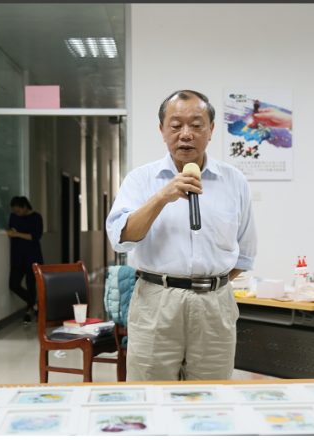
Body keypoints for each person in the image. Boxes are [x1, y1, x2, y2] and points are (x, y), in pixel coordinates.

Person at [106, 90, 257, 381]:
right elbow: (121, 239)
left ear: (211, 130)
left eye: (196, 125)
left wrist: (209, 285)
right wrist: (162, 196)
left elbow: (245, 253)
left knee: (212, 394)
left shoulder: (234, 181)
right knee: (150, 392)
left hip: (215, 304)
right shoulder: (140, 179)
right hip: (156, 301)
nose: (186, 134)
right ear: (162, 130)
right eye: (176, 126)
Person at [6, 196, 44, 324]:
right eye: (14, 211)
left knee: (30, 284)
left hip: (32, 255)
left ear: (25, 207)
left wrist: (17, 234)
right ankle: (35, 305)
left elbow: (35, 236)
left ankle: (28, 311)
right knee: (14, 284)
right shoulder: (14, 217)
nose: (17, 213)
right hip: (17, 255)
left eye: (18, 211)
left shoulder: (36, 217)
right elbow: (12, 229)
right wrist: (11, 232)